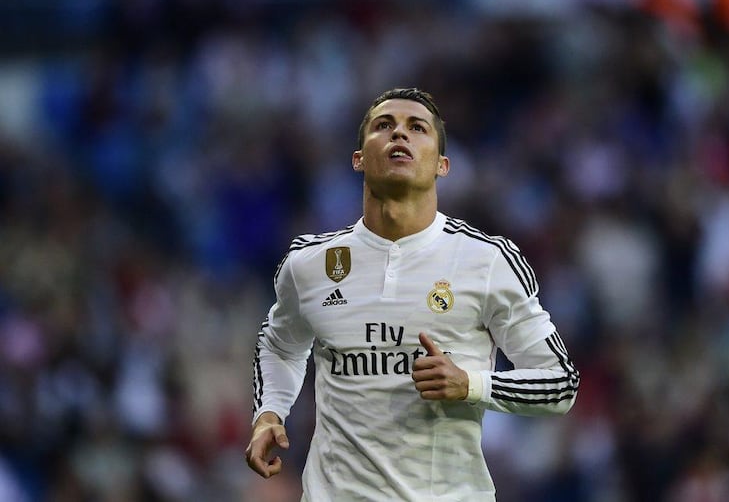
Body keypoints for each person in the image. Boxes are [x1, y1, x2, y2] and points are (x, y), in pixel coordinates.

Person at [245, 87, 580, 501]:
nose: (399, 134)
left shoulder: (487, 260)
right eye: (384, 126)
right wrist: (269, 413)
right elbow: (280, 347)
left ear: (442, 165)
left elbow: (560, 384)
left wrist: (472, 384)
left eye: (416, 128)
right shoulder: (310, 264)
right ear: (359, 159)